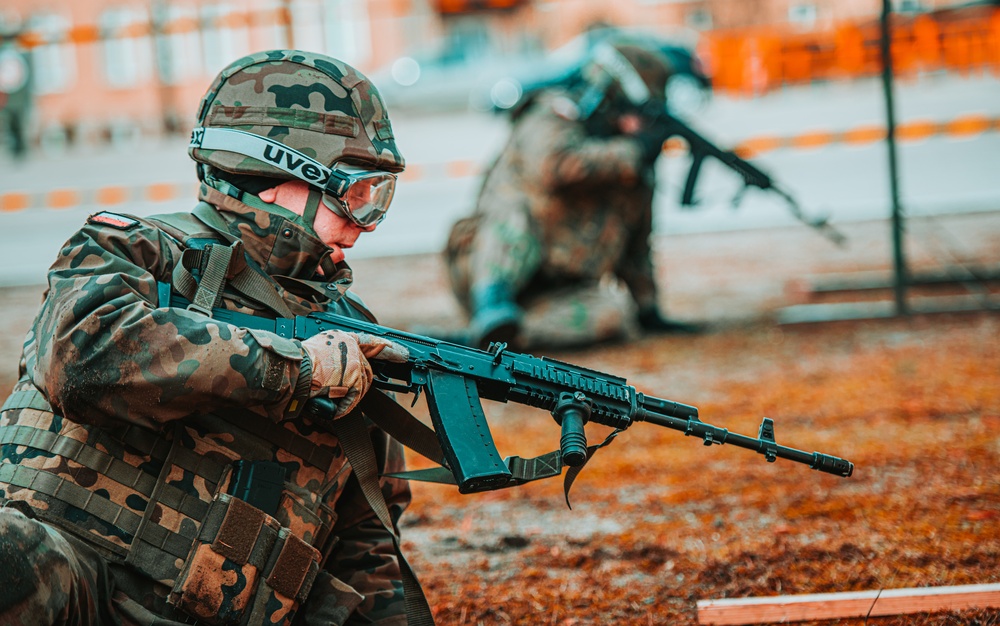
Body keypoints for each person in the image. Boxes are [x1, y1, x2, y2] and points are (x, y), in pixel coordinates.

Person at [0, 50, 430, 626]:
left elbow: (366, 552)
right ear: (278, 178)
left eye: (378, 200)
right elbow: (78, 357)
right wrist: (294, 370)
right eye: (355, 196)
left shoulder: (350, 341)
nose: (364, 223)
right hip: (64, 581)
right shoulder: (136, 251)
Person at [443, 39, 700, 351]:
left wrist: (649, 311)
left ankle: (499, 338)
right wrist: (633, 151)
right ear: (611, 100)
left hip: (559, 288)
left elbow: (636, 245)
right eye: (634, 112)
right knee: (514, 212)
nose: (638, 125)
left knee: (611, 316)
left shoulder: (630, 166)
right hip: (489, 268)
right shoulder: (551, 116)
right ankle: (489, 313)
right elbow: (557, 166)